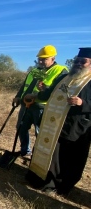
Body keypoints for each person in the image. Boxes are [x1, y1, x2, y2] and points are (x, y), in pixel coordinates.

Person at [24, 47, 91, 195]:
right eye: (77, 60)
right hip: (56, 123)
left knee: (69, 158)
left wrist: (82, 103)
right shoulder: (65, 77)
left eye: (83, 61)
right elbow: (51, 94)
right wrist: (44, 89)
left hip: (77, 127)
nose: (79, 63)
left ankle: (62, 186)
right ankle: (43, 180)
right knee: (53, 154)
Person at [12, 45, 68, 157]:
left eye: (44, 59)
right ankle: (25, 151)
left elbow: (58, 92)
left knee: (40, 133)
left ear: (53, 58)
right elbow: (25, 85)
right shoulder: (34, 70)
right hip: (26, 105)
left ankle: (37, 155)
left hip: (42, 108)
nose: (41, 61)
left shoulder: (61, 71)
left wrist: (37, 95)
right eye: (39, 59)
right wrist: (18, 96)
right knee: (21, 128)